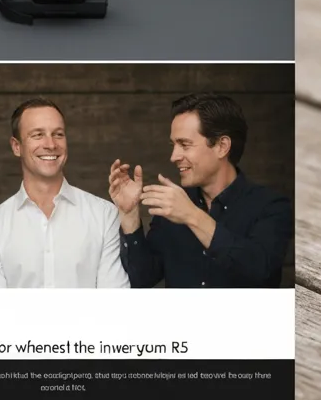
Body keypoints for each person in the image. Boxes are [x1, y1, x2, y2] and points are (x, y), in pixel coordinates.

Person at [109, 93, 293, 288]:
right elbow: (142, 280)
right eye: (174, 145)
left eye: (185, 145)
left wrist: (192, 216)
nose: (174, 156)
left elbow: (260, 269)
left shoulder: (271, 206)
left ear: (222, 146)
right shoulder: (173, 207)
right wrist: (129, 215)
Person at [0, 98, 129, 288]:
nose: (50, 144)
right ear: (17, 147)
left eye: (58, 134)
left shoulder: (104, 215)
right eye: (38, 135)